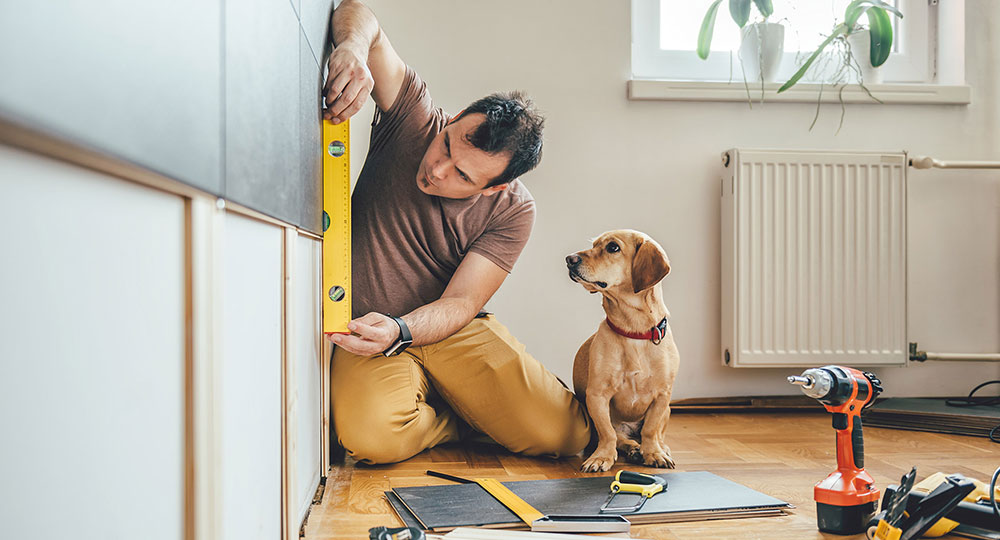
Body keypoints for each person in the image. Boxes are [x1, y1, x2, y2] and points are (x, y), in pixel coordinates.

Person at [323, 0, 590, 465]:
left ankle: (470, 406)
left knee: (566, 435)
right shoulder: (414, 120)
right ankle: (460, 418)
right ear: (454, 119)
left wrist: (404, 329)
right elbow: (359, 13)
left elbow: (463, 303)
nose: (437, 170)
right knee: (372, 440)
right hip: (366, 327)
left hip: (445, 326)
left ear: (495, 187)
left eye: (463, 176)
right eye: (447, 144)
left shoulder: (514, 210)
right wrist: (351, 46)